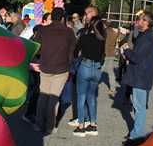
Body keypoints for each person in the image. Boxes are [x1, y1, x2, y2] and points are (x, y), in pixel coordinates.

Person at [32, 7, 76, 135]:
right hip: (62, 68)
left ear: (52, 16)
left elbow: (37, 47)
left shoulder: (43, 30)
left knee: (43, 96)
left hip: (45, 67)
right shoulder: (69, 32)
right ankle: (50, 127)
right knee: (54, 97)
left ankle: (38, 124)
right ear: (63, 18)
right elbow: (73, 50)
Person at [121, 11, 153, 146]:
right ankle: (135, 132)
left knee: (139, 107)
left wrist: (126, 50)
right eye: (138, 20)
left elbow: (136, 57)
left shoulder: (148, 38)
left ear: (147, 23)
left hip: (141, 77)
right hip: (140, 76)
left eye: (141, 20)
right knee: (139, 106)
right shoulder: (146, 36)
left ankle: (137, 135)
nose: (138, 22)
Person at [72, 13, 107, 136]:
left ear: (91, 24)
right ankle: (93, 125)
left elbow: (75, 52)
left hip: (85, 66)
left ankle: (81, 126)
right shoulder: (102, 40)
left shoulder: (84, 37)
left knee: (81, 97)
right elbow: (103, 56)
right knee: (91, 97)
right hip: (97, 69)